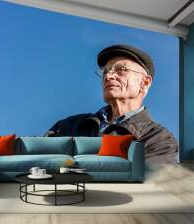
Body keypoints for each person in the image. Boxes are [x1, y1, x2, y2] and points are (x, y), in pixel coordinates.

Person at [45, 44, 179, 163]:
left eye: (121, 69)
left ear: (144, 83)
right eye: (105, 72)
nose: (108, 76)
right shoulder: (68, 126)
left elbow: (147, 186)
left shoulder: (159, 140)